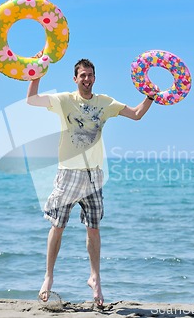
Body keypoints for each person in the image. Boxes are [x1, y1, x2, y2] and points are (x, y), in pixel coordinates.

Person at [26, 58, 155, 307]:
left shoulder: (104, 103)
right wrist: (37, 74)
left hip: (94, 175)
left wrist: (151, 95)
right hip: (68, 174)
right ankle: (48, 277)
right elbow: (32, 98)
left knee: (93, 228)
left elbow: (137, 115)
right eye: (83, 75)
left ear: (95, 78)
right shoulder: (64, 100)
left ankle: (95, 278)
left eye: (91, 75)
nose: (87, 79)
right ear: (75, 79)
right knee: (58, 226)